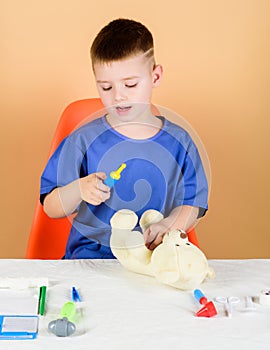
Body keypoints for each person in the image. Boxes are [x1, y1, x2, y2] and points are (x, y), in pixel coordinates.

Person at [40, 18, 209, 259]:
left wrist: (168, 226)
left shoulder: (179, 143)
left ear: (155, 77)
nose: (118, 96)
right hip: (91, 261)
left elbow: (191, 204)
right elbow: (51, 206)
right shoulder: (83, 140)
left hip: (155, 259)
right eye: (106, 88)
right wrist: (78, 190)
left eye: (130, 84)